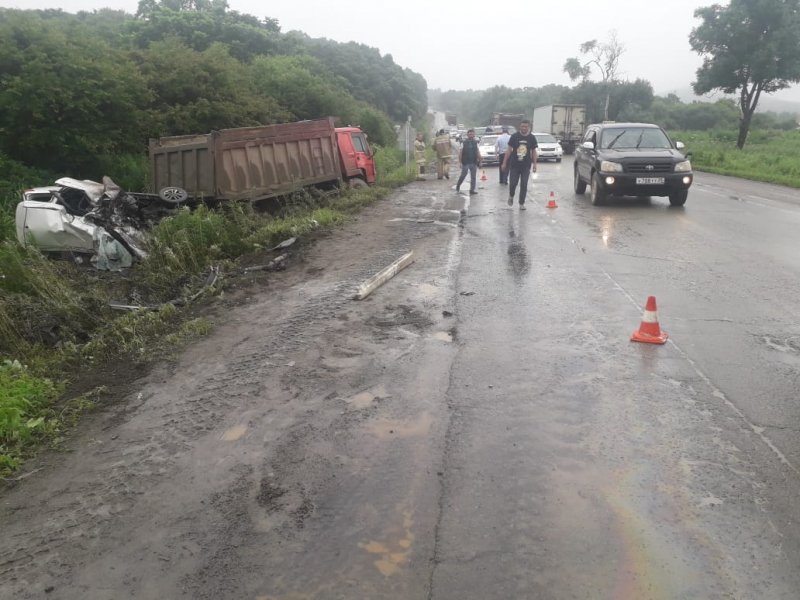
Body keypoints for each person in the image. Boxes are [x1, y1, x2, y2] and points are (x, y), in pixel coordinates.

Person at [501, 119, 538, 210]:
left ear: (528, 127)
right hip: (514, 165)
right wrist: (504, 163)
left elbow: (533, 151)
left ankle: (521, 203)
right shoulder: (514, 136)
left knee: (524, 184)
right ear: (520, 127)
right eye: (522, 126)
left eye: (526, 126)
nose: (524, 128)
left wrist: (535, 164)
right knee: (513, 183)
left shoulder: (532, 138)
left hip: (526, 165)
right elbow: (509, 150)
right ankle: (511, 195)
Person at [456, 128, 482, 195]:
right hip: (465, 162)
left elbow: (477, 152)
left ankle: (472, 190)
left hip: (473, 162)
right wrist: (460, 162)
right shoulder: (463, 143)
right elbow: (460, 153)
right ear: (467, 135)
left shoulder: (476, 142)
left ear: (474, 135)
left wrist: (480, 160)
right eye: (470, 134)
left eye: (472, 134)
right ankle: (458, 185)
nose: (471, 135)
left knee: (473, 177)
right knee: (463, 175)